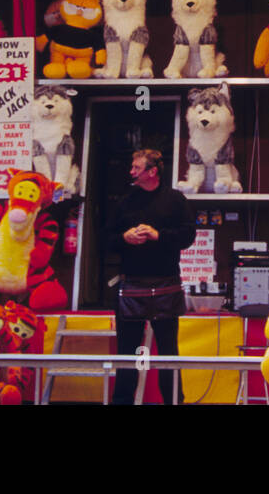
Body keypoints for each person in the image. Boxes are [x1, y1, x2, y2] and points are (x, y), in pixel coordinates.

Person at [104, 148, 197, 405]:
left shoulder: (176, 200)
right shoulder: (125, 202)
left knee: (169, 353)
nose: (131, 172)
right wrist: (124, 237)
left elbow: (188, 236)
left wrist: (159, 235)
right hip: (131, 285)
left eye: (136, 168)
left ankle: (174, 402)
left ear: (152, 171)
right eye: (132, 167)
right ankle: (122, 402)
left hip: (167, 284)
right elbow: (106, 239)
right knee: (127, 353)